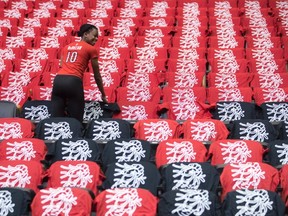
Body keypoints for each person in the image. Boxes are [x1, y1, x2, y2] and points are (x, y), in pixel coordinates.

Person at [51, 24, 107, 122]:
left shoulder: (66, 47)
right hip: (73, 81)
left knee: (55, 119)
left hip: (58, 81)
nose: (96, 38)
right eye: (94, 35)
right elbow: (97, 75)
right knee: (76, 120)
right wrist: (103, 94)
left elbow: (61, 64)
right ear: (85, 34)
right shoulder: (91, 49)